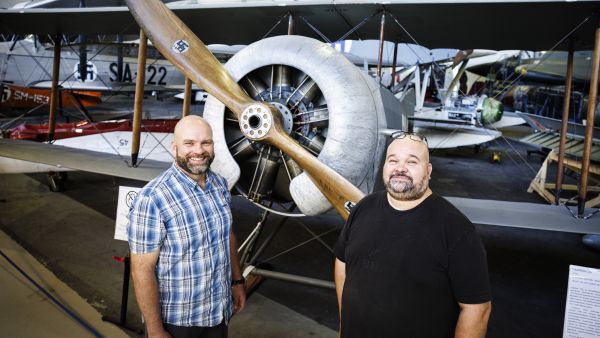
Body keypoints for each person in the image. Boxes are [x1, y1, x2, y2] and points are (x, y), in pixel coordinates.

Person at [334, 131, 491, 338]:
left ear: (428, 170)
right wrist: (344, 327)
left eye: (412, 162)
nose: (400, 168)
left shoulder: (456, 229)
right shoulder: (363, 208)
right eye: (393, 160)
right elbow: (342, 265)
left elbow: (476, 309)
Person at [127, 115, 246, 338]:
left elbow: (227, 235)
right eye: (189, 143)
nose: (198, 151)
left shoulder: (219, 184)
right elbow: (141, 270)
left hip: (218, 312)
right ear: (175, 147)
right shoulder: (153, 198)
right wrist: (154, 330)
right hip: (179, 321)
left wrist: (237, 281)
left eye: (205, 143)